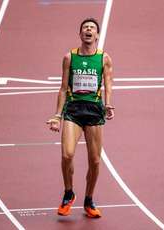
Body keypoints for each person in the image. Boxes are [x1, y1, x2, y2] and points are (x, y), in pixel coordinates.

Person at [46, 17, 114, 218]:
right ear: (80, 34)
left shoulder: (104, 59)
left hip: (94, 110)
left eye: (92, 28)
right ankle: (68, 193)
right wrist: (57, 115)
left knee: (94, 161)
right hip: (73, 110)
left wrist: (108, 104)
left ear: (97, 35)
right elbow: (62, 88)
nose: (88, 30)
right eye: (85, 27)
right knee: (67, 155)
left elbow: (108, 84)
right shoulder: (70, 57)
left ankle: (89, 199)